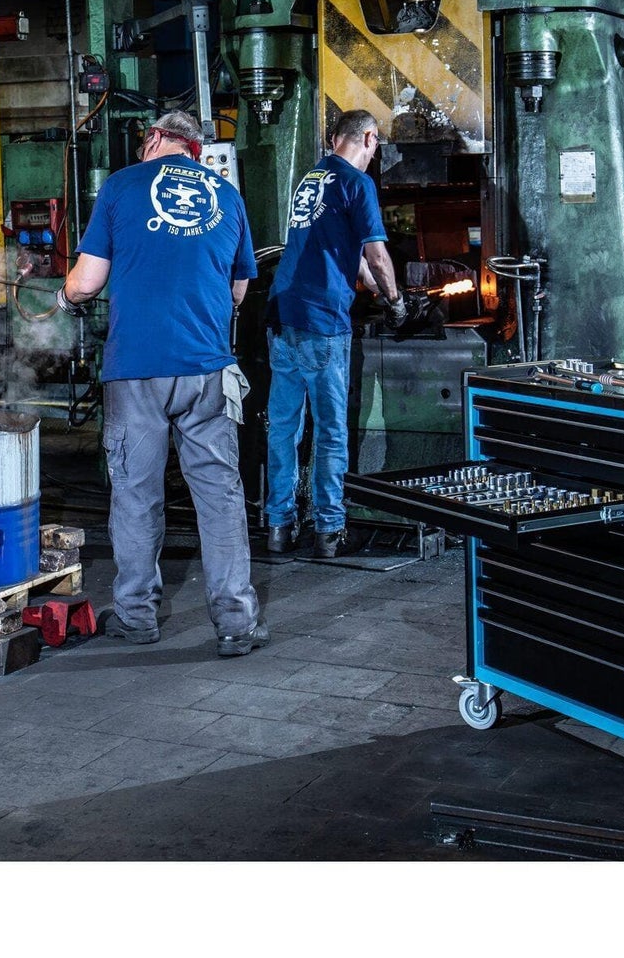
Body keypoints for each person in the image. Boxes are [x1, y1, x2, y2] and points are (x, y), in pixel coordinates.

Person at [55, 110, 266, 657]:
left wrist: (63, 298)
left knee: (136, 494)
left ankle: (137, 616)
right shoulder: (227, 196)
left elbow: (87, 281)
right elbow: (238, 289)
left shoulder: (121, 186)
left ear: (153, 139)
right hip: (207, 368)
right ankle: (236, 623)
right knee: (219, 497)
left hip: (136, 369)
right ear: (194, 149)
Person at [264, 108, 406, 559]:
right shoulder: (357, 183)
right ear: (369, 138)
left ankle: (279, 526)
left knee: (284, 428)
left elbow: (346, 253)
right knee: (329, 430)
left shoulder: (312, 179)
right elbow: (377, 255)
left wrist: (370, 282)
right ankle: (329, 530)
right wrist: (396, 301)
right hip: (322, 321)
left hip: (283, 315)